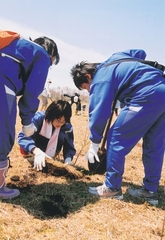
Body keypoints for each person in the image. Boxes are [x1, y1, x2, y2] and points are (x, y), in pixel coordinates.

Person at [70, 49, 165, 205]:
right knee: (154, 144)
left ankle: (112, 187)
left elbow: (99, 111)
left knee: (115, 137)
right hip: (162, 89)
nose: (89, 90)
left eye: (86, 87)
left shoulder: (100, 78)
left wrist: (94, 142)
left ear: (88, 76)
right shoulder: (116, 58)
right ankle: (150, 190)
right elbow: (140, 53)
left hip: (146, 94)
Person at [0, 30, 60, 199]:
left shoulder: (14, 45)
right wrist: (27, 122)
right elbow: (32, 91)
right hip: (2, 85)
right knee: (2, 134)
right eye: (52, 62)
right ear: (51, 54)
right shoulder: (41, 55)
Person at [18, 100, 76, 170]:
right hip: (32, 151)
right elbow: (23, 136)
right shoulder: (39, 118)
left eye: (63, 121)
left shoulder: (67, 127)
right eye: (57, 120)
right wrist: (36, 151)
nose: (60, 124)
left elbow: (69, 146)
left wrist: (68, 159)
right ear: (51, 115)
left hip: (51, 157)